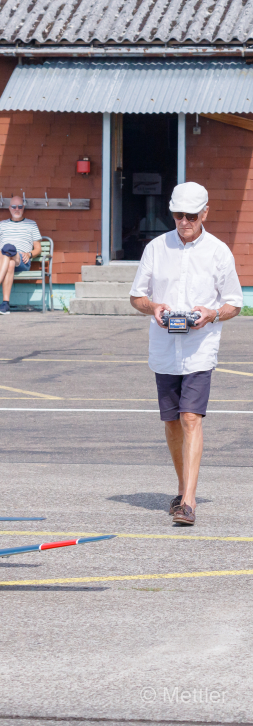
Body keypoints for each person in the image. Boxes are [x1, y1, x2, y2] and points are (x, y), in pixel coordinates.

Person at [130, 182, 242, 526]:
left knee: (191, 418)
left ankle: (189, 501)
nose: (183, 221)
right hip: (164, 347)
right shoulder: (155, 247)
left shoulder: (219, 251)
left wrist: (211, 314)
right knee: (171, 422)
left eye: (190, 215)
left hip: (199, 348)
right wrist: (155, 307)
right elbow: (136, 297)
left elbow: (235, 303)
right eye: (177, 215)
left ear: (204, 213)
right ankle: (182, 487)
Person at [0, 196, 42, 314]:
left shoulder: (31, 224)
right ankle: (5, 304)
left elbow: (38, 248)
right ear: (9, 208)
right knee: (9, 261)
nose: (17, 209)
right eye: (14, 206)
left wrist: (30, 254)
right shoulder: (2, 224)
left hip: (22, 259)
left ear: (23, 208)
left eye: (20, 206)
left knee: (8, 249)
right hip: (2, 261)